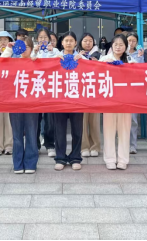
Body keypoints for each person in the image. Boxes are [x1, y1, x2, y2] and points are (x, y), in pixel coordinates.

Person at [2, 37, 40, 174]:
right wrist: (9, 49)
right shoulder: (13, 61)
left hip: (32, 104)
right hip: (15, 104)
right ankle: (17, 164)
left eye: (26, 47)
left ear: (31, 48)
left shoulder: (36, 61)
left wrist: (36, 56)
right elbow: (0, 63)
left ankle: (30, 163)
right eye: (20, 46)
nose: (23, 49)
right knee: (17, 135)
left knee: (31, 134)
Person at [100, 34, 133, 171]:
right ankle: (110, 159)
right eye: (115, 44)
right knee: (108, 130)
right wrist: (104, 65)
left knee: (124, 130)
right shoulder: (104, 59)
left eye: (121, 44)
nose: (118, 47)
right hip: (109, 101)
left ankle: (123, 159)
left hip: (126, 101)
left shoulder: (130, 61)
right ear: (111, 46)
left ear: (126, 46)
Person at [54, 31, 85, 171]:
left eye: (71, 40)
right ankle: (60, 157)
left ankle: (75, 157)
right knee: (59, 130)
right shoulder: (55, 57)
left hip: (77, 100)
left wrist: (83, 60)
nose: (68, 43)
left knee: (77, 130)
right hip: (59, 100)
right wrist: (54, 61)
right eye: (66, 40)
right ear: (62, 43)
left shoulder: (81, 58)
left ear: (75, 43)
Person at [34, 28, 61, 158]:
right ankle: (36, 145)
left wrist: (51, 53)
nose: (43, 40)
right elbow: (27, 61)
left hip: (50, 88)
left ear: (49, 39)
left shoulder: (55, 51)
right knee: (36, 119)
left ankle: (50, 144)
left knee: (50, 119)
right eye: (40, 37)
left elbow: (60, 61)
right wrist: (34, 52)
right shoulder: (34, 50)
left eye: (45, 37)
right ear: (37, 39)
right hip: (36, 87)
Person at [79, 33, 102, 158]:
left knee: (94, 121)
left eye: (90, 40)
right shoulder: (76, 55)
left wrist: (98, 64)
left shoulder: (99, 55)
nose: (88, 43)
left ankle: (95, 146)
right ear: (80, 42)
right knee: (82, 122)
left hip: (94, 92)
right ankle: (84, 147)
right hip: (81, 92)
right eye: (85, 40)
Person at [127, 33, 147, 155]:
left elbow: (142, 70)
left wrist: (140, 58)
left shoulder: (140, 54)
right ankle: (123, 144)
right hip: (121, 89)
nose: (131, 43)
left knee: (133, 119)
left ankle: (133, 145)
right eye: (129, 40)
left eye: (133, 41)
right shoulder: (120, 52)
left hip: (134, 90)